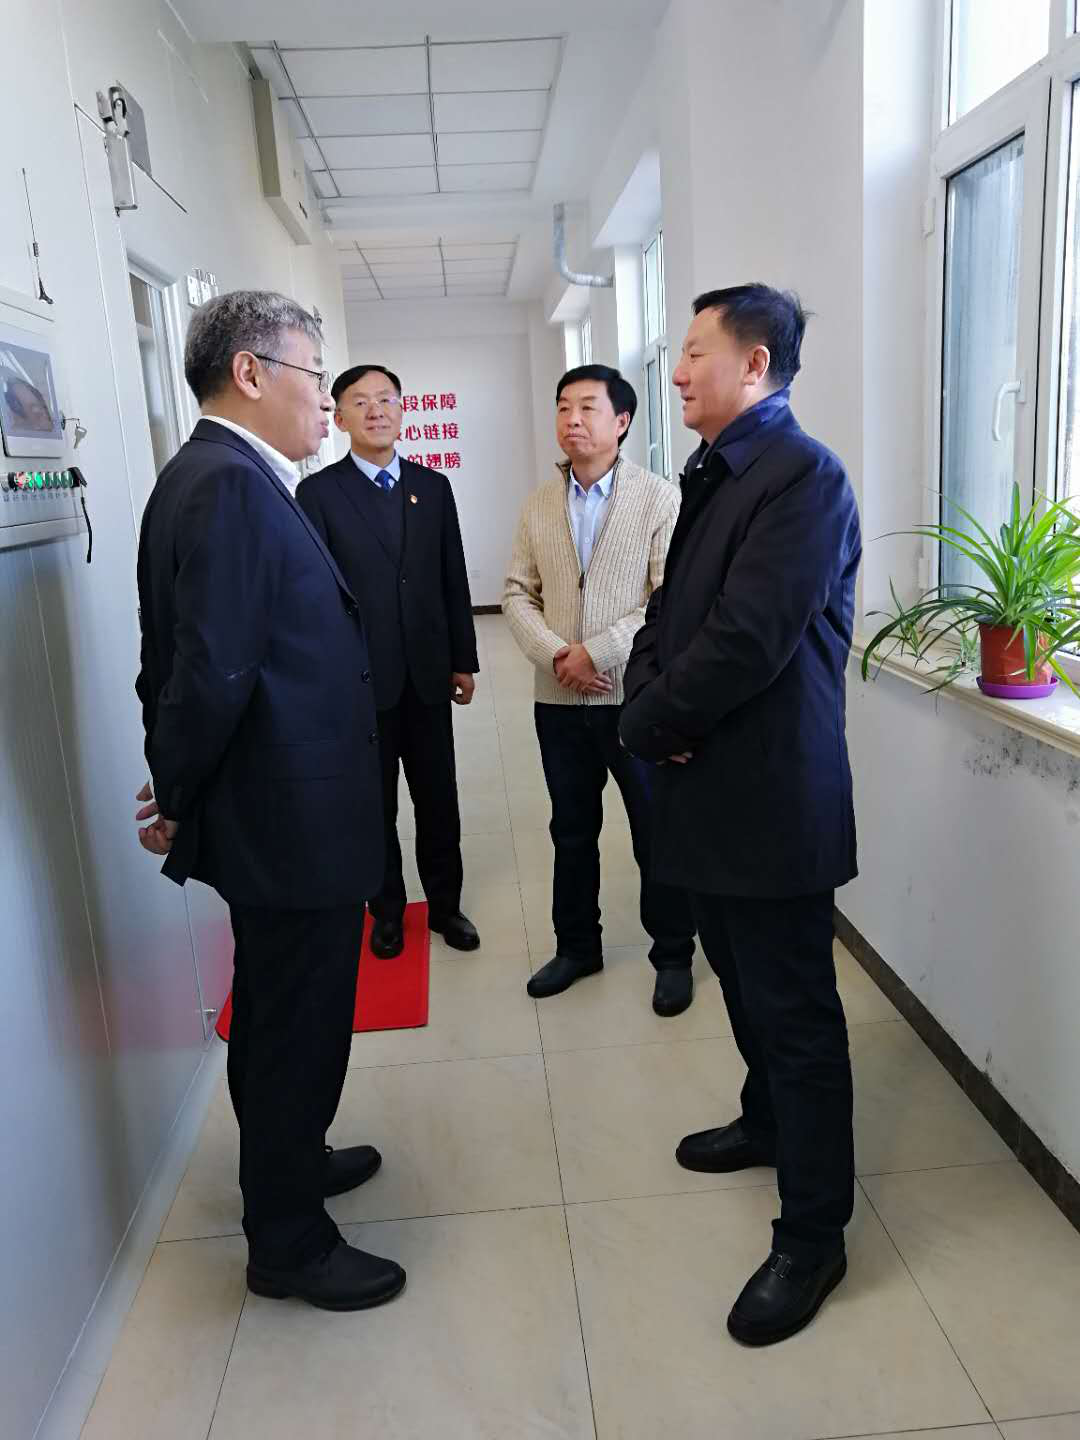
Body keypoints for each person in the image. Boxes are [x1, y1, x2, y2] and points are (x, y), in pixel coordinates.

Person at [135, 291, 404, 1312]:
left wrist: (181, 783)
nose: (327, 402)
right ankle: (288, 1243)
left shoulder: (221, 476)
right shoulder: (228, 487)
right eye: (314, 375)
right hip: (287, 825)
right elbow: (208, 673)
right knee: (297, 1028)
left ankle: (291, 1162)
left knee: (279, 1016)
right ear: (250, 374)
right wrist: (179, 792)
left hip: (281, 813)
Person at [620, 285, 861, 1346]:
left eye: (694, 352)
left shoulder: (804, 477)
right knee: (745, 988)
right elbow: (669, 614)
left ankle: (813, 1235)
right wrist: (643, 704)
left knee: (796, 1017)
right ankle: (766, 1125)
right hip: (704, 792)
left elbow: (748, 640)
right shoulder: (715, 472)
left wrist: (646, 723)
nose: (676, 372)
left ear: (755, 365)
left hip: (769, 800)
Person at [504, 364, 696, 1015]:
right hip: (559, 701)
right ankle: (577, 947)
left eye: (588, 407)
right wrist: (560, 655)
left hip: (634, 700)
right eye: (564, 407)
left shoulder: (659, 498)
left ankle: (673, 954)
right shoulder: (538, 503)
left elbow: (668, 598)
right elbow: (516, 594)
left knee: (655, 830)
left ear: (622, 422)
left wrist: (599, 652)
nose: (572, 420)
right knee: (570, 829)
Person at [296, 365, 480, 960]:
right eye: (360, 402)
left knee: (438, 798)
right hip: (360, 683)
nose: (376, 410)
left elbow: (452, 577)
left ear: (403, 411)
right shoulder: (318, 495)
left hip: (427, 675)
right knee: (373, 804)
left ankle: (446, 906)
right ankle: (387, 911)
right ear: (339, 417)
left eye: (386, 399)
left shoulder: (433, 488)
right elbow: (315, 598)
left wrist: (463, 659)